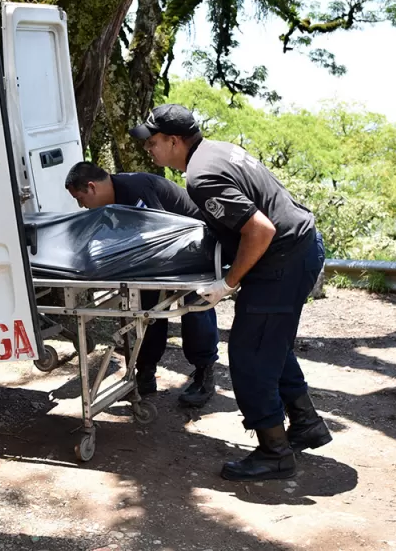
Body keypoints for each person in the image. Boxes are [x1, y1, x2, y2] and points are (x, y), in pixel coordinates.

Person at [130, 103, 331, 482]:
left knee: (248, 354)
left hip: (281, 259)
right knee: (270, 345)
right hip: (300, 249)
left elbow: (260, 230)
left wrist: (227, 284)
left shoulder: (201, 175)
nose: (149, 150)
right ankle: (305, 423)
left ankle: (274, 452)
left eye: (153, 142)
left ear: (174, 141)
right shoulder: (217, 149)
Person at [64, 161, 220, 407]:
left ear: (92, 187)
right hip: (166, 252)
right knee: (145, 309)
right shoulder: (112, 200)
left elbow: (161, 234)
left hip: (197, 246)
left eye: (80, 198)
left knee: (194, 307)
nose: (81, 205)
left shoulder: (135, 189)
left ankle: (204, 373)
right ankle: (145, 373)